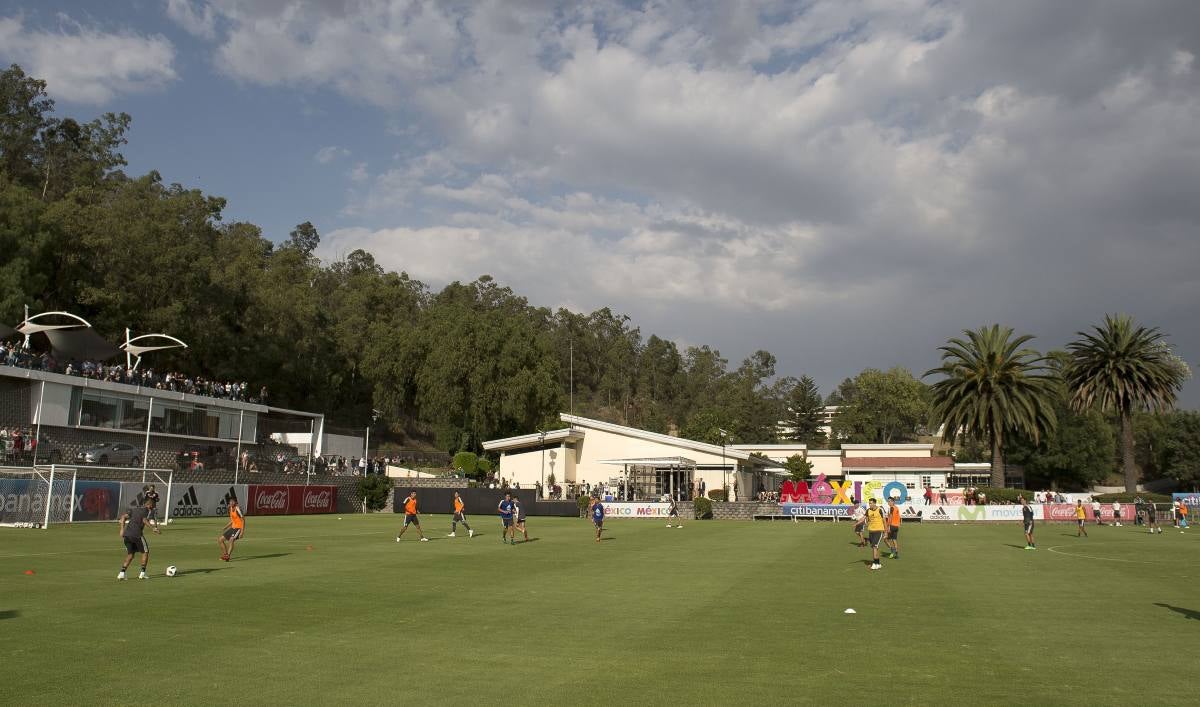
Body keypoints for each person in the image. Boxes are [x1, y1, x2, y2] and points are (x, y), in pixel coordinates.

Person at [118, 497, 160, 580]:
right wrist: (153, 528)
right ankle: (142, 573)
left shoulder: (134, 510)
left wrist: (122, 529)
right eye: (153, 504)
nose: (154, 506)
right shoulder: (146, 511)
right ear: (149, 504)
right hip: (137, 535)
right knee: (145, 552)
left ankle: (121, 573)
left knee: (130, 554)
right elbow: (144, 520)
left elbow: (123, 517)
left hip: (127, 535)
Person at [865, 498, 886, 570]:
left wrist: (885, 532)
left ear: (874, 503)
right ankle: (878, 563)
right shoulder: (868, 510)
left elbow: (884, 521)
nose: (870, 504)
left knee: (874, 546)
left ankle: (874, 563)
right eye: (869, 503)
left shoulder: (880, 510)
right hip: (871, 531)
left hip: (879, 531)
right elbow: (866, 519)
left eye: (871, 503)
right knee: (875, 548)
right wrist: (859, 523)